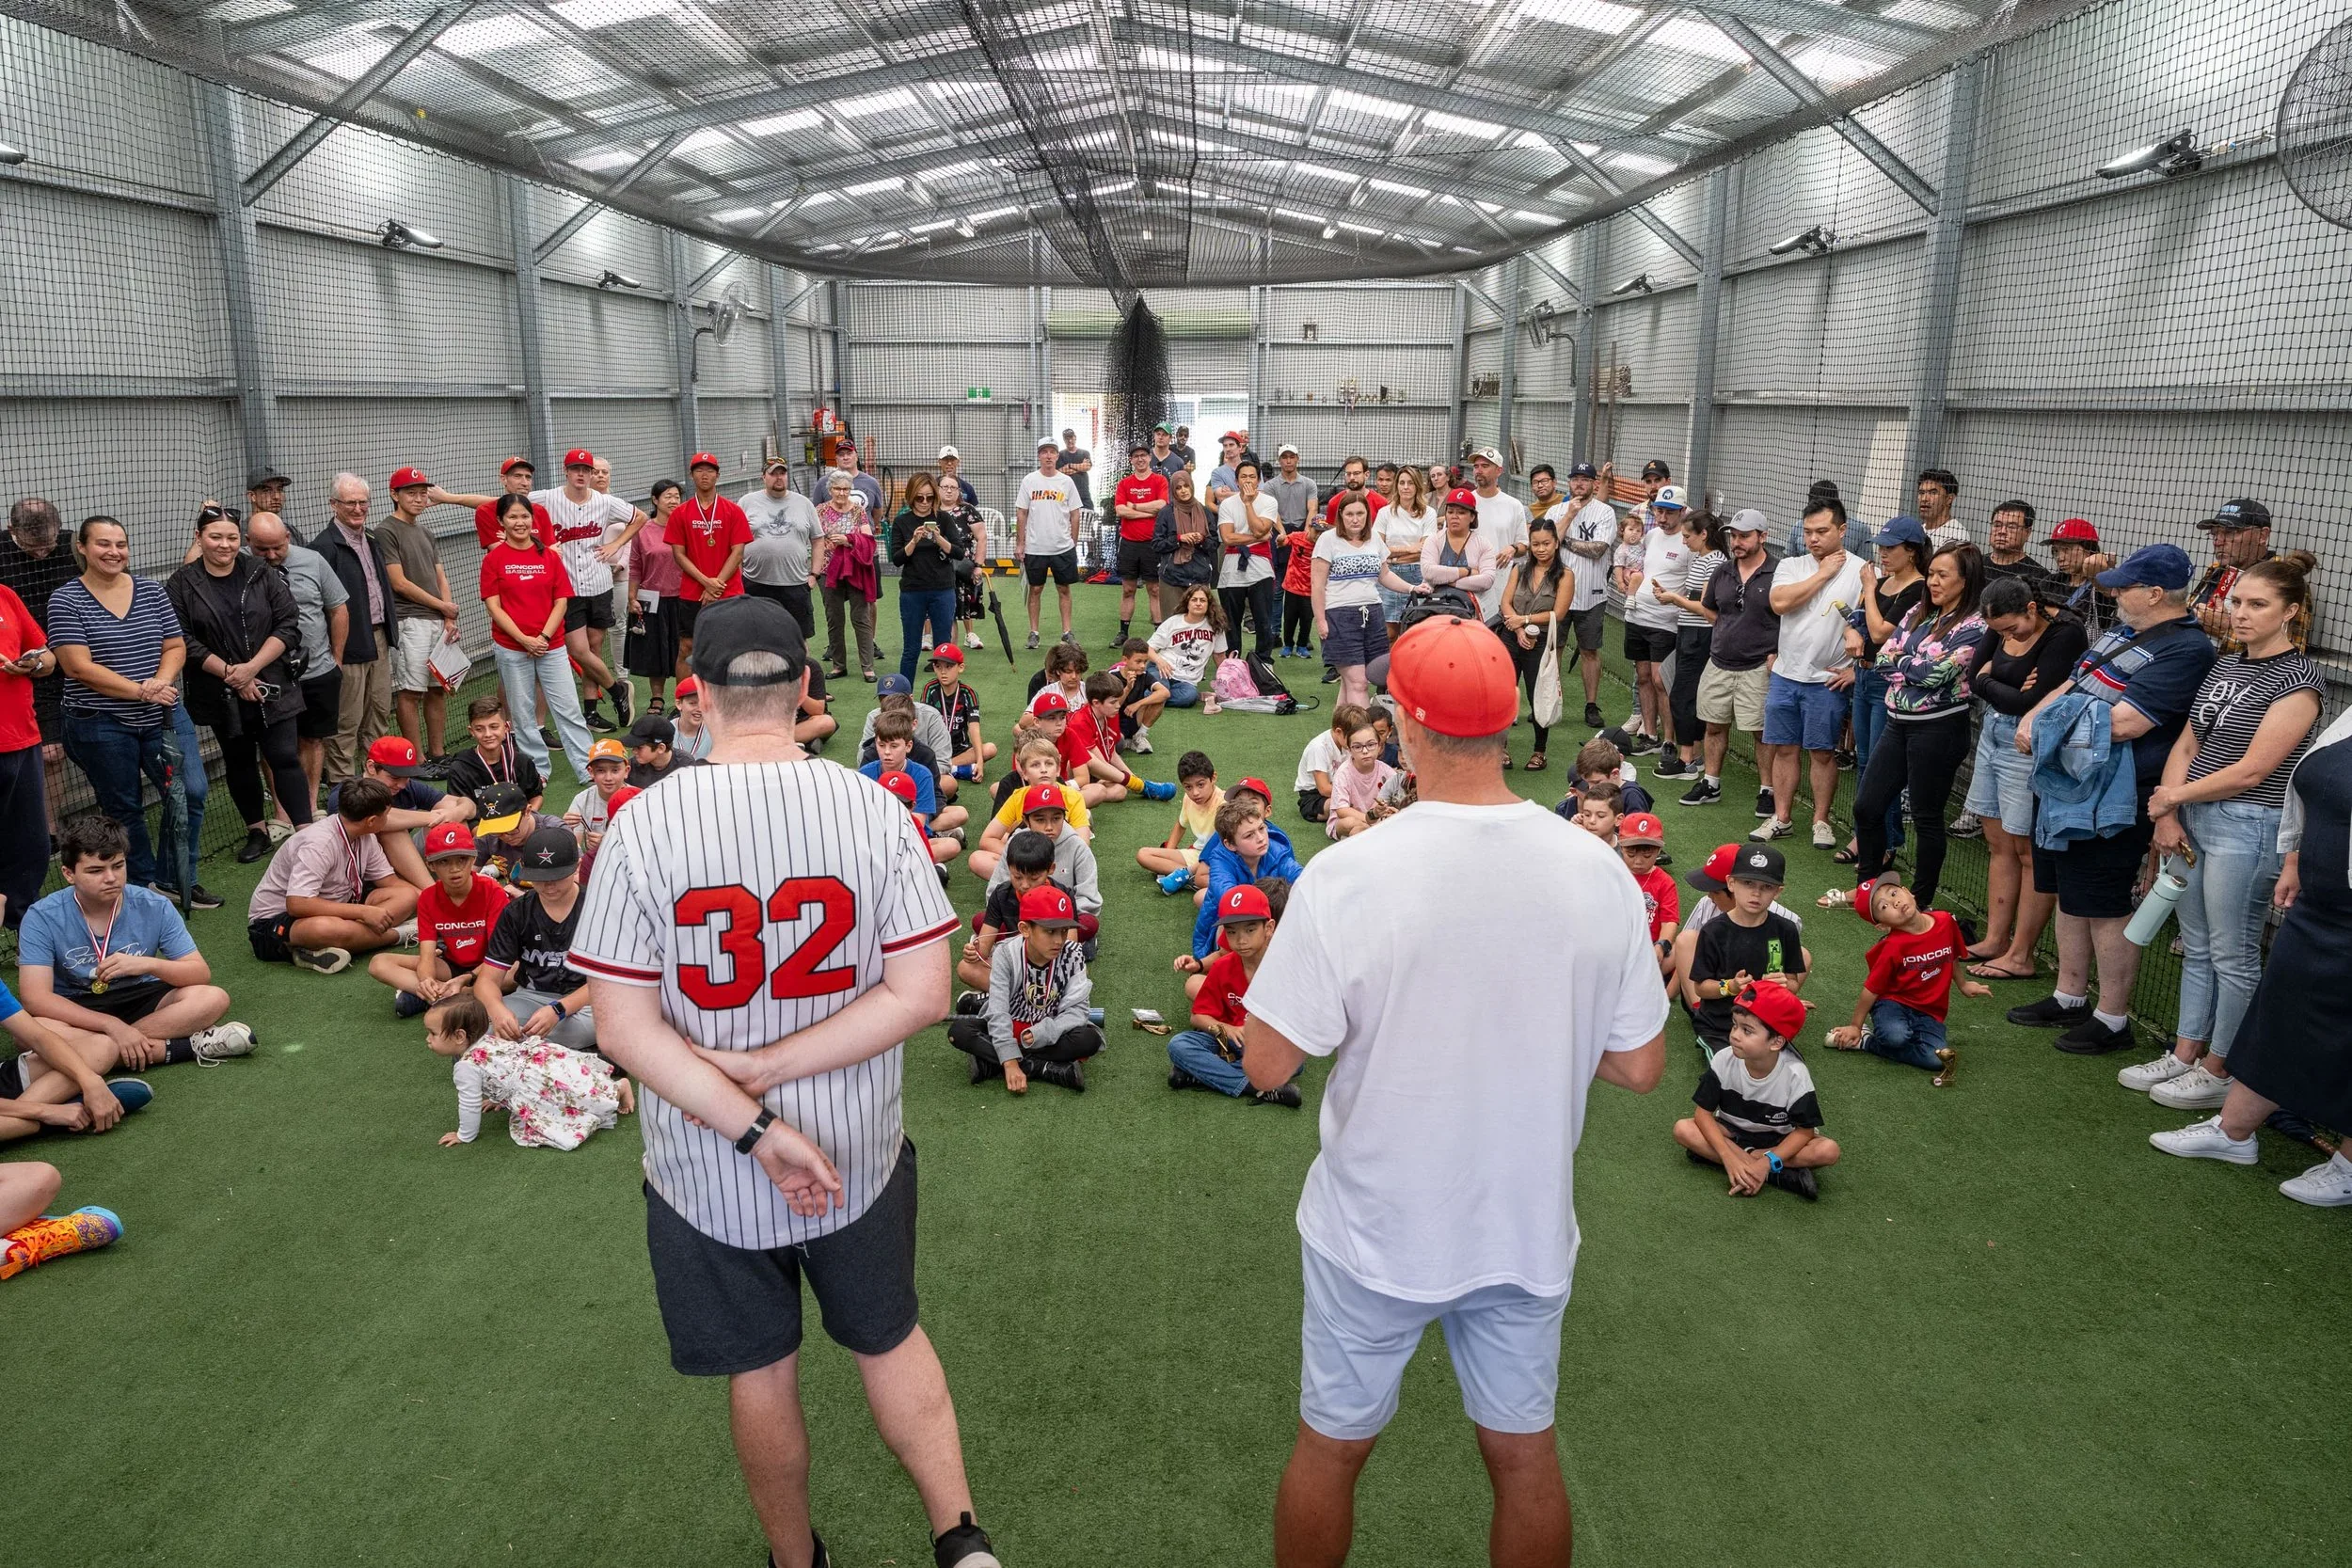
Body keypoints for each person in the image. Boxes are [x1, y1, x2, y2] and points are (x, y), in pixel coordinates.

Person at [568, 597, 1001, 1568]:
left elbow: (624, 1028)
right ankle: (961, 1538)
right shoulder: (871, 803)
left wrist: (755, 1116)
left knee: (763, 1371)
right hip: (856, 1146)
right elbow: (926, 992)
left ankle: (795, 1561)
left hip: (707, 1167)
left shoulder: (642, 823)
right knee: (888, 1336)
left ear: (699, 694)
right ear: (806, 686)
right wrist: (779, 1072)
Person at [1238, 613, 1667, 1568]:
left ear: (1404, 720)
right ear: (1509, 719)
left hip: (1373, 1228)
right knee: (1523, 1460)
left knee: (1332, 1446)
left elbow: (1267, 1064)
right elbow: (1639, 1065)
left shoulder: (1348, 873)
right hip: (1521, 1224)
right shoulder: (1599, 869)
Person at [2120, 554, 2322, 1110]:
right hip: (2192, 820)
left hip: (2249, 825)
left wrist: (2172, 798)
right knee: (2200, 948)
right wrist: (2167, 814)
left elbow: (2256, 769)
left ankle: (2223, 1068)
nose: (2240, 614)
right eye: (2236, 601)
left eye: (2257, 605)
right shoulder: (2226, 664)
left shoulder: (2300, 679)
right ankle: (2185, 1054)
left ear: (2291, 612)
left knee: (2233, 954)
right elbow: (2189, 743)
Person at [2010, 544, 2218, 1056]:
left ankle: (2113, 1018)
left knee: (2103, 904)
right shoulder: (2126, 631)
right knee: (2068, 892)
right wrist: (2032, 716)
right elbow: (2074, 684)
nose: (2116, 593)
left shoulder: (2187, 649)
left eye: (2125, 587)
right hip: (2065, 785)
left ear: (2154, 593)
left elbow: (2126, 723)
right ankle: (2070, 995)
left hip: (2113, 796)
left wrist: (2045, 729)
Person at [2144, 694, 2352, 1207]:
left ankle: (2348, 1166)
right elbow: (2309, 789)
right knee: (2279, 1007)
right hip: (2319, 905)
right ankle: (2234, 1132)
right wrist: (2295, 859)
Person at [16, 814, 253, 1069]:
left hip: (142, 996)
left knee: (212, 998)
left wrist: (147, 965)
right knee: (27, 1031)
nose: (111, 878)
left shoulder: (154, 905)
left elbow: (199, 973)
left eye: (118, 866)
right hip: (76, 1004)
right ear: (69, 873)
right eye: (96, 870)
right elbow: (35, 998)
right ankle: (173, 1049)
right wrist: (112, 1025)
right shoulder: (42, 915)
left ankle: (99, 1054)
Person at [49, 516, 204, 903]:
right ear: (82, 548)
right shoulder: (65, 600)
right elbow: (78, 667)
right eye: (103, 544)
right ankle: (142, 889)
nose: (114, 552)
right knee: (124, 807)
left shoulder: (152, 591)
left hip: (163, 714)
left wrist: (161, 684)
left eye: (121, 544)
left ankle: (174, 880)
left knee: (191, 792)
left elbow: (175, 646)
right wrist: (140, 691)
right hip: (98, 723)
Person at [1953, 578, 2089, 980]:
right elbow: (1975, 675)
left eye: (2012, 629)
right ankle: (1996, 939)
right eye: (1998, 633)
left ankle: (2021, 953)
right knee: (1998, 842)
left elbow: (2034, 702)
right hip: (1994, 735)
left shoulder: (2065, 633)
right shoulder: (2000, 625)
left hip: (2030, 742)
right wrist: (2003, 681)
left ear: (2032, 609)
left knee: (2027, 849)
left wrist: (1993, 682)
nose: (2005, 636)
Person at [167, 508, 311, 867]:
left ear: (241, 540)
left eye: (232, 537)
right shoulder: (182, 584)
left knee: (284, 757)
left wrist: (252, 669)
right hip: (219, 691)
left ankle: (307, 832)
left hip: (271, 683)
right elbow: (182, 639)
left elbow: (289, 624)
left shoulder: (261, 572)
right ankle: (258, 830)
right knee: (239, 761)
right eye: (216, 537)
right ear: (199, 538)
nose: (225, 545)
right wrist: (232, 674)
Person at [1851, 544, 1988, 911]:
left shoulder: (1976, 625)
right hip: (1897, 725)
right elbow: (1881, 657)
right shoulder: (1919, 612)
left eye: (1943, 575)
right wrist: (1913, 664)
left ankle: (1920, 899)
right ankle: (1869, 889)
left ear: (1966, 579)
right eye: (1932, 574)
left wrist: (1905, 662)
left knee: (1927, 818)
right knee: (1867, 806)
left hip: (1939, 731)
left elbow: (1938, 674)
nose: (1933, 581)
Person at [1757, 500, 1865, 848]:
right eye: (1808, 532)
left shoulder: (1863, 570)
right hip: (1786, 676)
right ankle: (1782, 818)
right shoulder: (1791, 564)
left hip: (1827, 681)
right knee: (1784, 748)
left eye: (1822, 531)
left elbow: (1871, 624)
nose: (1813, 539)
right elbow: (1780, 604)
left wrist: (1854, 671)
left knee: (1822, 752)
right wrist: (1822, 573)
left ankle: (1821, 821)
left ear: (1842, 530)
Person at [1675, 981, 1838, 1200]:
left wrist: (1764, 1161)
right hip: (1731, 1133)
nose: (1735, 1035)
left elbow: (1804, 1131)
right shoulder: (1724, 1059)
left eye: (1747, 1030)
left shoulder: (1795, 1074)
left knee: (1828, 1151)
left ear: (1776, 1041)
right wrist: (1729, 1157)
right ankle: (1776, 1175)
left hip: (1778, 1140)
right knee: (1683, 1129)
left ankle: (1748, 1166)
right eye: (1734, 1025)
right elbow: (1702, 1115)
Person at [1826, 874, 1989, 1086]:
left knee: (1935, 1059)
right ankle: (1865, 1039)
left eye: (1894, 893)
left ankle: (1869, 1042)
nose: (1895, 902)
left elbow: (1951, 955)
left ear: (1907, 891)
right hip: (1893, 1003)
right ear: (1882, 926)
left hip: (1930, 1010)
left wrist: (1963, 984)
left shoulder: (1945, 921)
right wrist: (1855, 1026)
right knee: (1895, 1037)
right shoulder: (1893, 946)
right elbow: (1871, 989)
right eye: (1884, 907)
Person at [1832, 515, 1931, 864]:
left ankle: (1885, 842)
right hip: (1864, 677)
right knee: (1863, 760)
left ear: (1912, 551)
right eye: (1882, 547)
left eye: (1891, 548)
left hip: (1889, 683)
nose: (1883, 553)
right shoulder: (1884, 582)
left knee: (1880, 765)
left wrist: (1870, 591)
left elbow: (1880, 632)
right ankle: (1867, 834)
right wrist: (1849, 632)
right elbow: (1857, 624)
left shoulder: (1919, 590)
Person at [479, 492, 596, 784]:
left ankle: (587, 767)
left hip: (552, 646)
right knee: (522, 714)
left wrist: (542, 637)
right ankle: (538, 772)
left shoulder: (550, 556)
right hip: (512, 648)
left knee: (568, 708)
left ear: (533, 520)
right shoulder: (494, 559)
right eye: (513, 517)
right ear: (501, 522)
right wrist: (524, 639)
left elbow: (562, 602)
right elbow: (494, 606)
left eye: (524, 516)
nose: (519, 522)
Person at [247, 777, 420, 974]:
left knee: (407, 895)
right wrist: (363, 913)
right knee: (326, 928)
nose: (387, 820)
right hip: (275, 924)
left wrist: (433, 904)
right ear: (372, 821)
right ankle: (399, 934)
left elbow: (390, 882)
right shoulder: (319, 845)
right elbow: (297, 904)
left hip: (340, 905)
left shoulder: (366, 836)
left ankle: (331, 945)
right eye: (386, 815)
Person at [944, 882, 1098, 1093]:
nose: (1059, 940)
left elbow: (1079, 1011)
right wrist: (1010, 1063)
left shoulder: (1073, 952)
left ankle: (990, 1064)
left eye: (1063, 931)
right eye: (1050, 931)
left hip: (1047, 1031)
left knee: (1089, 1040)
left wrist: (1043, 1032)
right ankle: (1041, 1067)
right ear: (1025, 929)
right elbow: (998, 1012)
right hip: (1010, 1026)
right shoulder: (1006, 953)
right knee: (959, 1031)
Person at [424, 991, 629, 1151]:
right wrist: (497, 1099)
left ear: (460, 1036)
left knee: (569, 1106)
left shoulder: (465, 1066)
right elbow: (500, 1072)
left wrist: (464, 1135)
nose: (428, 1039)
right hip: (542, 1062)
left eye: (432, 1033)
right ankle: (612, 1088)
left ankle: (617, 1090)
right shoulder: (485, 1040)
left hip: (536, 1081)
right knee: (576, 1089)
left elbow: (469, 1103)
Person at [247, 513, 345, 833]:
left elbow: (338, 608)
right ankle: (283, 813)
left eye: (278, 547)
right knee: (275, 744)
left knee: (313, 739)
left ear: (288, 537)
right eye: (263, 549)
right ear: (249, 543)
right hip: (268, 675)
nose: (272, 556)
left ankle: (311, 803)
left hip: (316, 669)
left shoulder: (313, 561)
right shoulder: (240, 566)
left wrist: (336, 659)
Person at [1167, 880, 1302, 1105]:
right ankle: (1257, 1087)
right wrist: (1225, 1029)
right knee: (1179, 1044)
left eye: (1250, 929)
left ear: (1268, 928)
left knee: (1295, 1061)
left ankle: (1201, 1075)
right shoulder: (1222, 966)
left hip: (1267, 1043)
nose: (1241, 940)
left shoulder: (1286, 968)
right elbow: (1198, 1016)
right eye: (1232, 932)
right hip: (1227, 1040)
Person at [1681, 509, 1779, 814]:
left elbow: (1789, 618)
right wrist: (1727, 631)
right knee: (1713, 726)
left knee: (1760, 732)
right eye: (1733, 536)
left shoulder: (1779, 573)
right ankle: (1711, 783)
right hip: (1719, 661)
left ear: (1762, 537)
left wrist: (1777, 651)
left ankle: (1767, 790)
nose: (1737, 542)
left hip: (1758, 666)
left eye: (1745, 536)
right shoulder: (1722, 571)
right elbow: (1711, 610)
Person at [470, 824, 598, 1053]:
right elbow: (487, 981)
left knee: (600, 1025)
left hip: (588, 1000)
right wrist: (497, 1010)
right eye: (539, 878)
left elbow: (606, 981)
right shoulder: (517, 912)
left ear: (576, 867)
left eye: (557, 877)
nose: (548, 886)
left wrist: (560, 1009)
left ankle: (517, 1051)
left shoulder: (598, 906)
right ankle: (567, 1053)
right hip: (533, 996)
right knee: (484, 1026)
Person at [368, 822, 508, 1018]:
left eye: (462, 859)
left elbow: (500, 954)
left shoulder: (492, 891)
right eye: (444, 862)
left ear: (473, 858)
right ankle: (441, 994)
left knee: (517, 969)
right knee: (379, 963)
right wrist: (426, 980)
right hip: (452, 965)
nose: (455, 869)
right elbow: (427, 956)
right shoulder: (428, 897)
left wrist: (468, 978)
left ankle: (446, 996)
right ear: (430, 865)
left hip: (490, 966)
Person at [1682, 844, 1811, 1056]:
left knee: (1792, 1076)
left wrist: (1784, 985)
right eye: (1747, 883)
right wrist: (1730, 986)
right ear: (1731, 883)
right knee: (1729, 1077)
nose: (1756, 893)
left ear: (1778, 892)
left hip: (1765, 1027)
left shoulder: (1785, 929)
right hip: (1719, 1026)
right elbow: (1702, 988)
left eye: (1766, 886)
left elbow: (1793, 983)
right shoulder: (1713, 931)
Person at [372, 467, 464, 757]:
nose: (419, 498)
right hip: (409, 621)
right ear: (394, 495)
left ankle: (438, 754)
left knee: (437, 689)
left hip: (438, 621)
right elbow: (398, 583)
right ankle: (417, 758)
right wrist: (442, 606)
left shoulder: (426, 531)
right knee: (412, 691)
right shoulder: (385, 531)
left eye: (423, 493)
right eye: (411, 493)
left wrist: (448, 616)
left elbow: (441, 577)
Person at [313, 472, 398, 786]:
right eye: (350, 502)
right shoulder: (323, 548)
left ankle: (376, 780)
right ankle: (342, 785)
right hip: (347, 646)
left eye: (363, 502)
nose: (358, 508)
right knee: (346, 719)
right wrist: (333, 652)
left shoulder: (372, 540)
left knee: (378, 713)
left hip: (379, 639)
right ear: (334, 504)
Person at [1646, 510, 1724, 782]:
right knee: (1684, 692)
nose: (1684, 542)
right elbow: (1693, 596)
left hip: (1700, 635)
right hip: (1688, 632)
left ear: (1704, 535)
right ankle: (1695, 756)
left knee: (1683, 695)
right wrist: (1670, 595)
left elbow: (1705, 607)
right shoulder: (1701, 559)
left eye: (1688, 536)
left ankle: (1687, 760)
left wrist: (1673, 600)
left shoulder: (1713, 562)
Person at [1491, 516, 1570, 771]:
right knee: (1503, 695)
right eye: (1535, 544)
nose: (1540, 549)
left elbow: (1557, 614)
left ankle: (1540, 751)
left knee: (1540, 697)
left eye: (1546, 543)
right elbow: (1505, 603)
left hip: (1541, 643)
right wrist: (1517, 630)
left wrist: (1523, 620)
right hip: (1511, 639)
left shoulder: (1565, 575)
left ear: (1556, 543)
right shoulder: (1519, 569)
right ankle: (1500, 749)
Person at [1186, 798, 1303, 966]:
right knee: (1234, 920)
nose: (1261, 838)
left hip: (1264, 921)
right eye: (1249, 835)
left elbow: (1301, 877)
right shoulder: (1220, 859)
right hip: (1236, 925)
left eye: (1262, 828)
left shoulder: (1276, 851)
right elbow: (1230, 898)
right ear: (1230, 844)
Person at [0, 562, 53, 921]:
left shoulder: (5, 595)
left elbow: (47, 656)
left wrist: (32, 664)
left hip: (23, 738)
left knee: (32, 844)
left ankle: (24, 933)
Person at [1620, 482, 1690, 749]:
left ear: (1682, 511)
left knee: (1662, 681)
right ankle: (1650, 735)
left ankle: (1669, 741)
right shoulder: (1650, 537)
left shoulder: (1688, 542)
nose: (1662, 517)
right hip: (1637, 617)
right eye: (1659, 511)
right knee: (1643, 677)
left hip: (1666, 623)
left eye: (1669, 512)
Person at [671, 455, 752, 671]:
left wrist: (716, 586)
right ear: (691, 475)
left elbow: (738, 552)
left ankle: (729, 702)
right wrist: (706, 582)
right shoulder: (680, 513)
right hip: (692, 592)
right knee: (688, 647)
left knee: (732, 646)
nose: (704, 475)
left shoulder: (733, 511)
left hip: (729, 591)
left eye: (709, 470)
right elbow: (679, 554)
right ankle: (683, 702)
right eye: (699, 470)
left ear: (718, 474)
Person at [888, 473, 966, 682]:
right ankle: (904, 697)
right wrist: (913, 541)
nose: (924, 502)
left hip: (942, 589)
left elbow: (959, 552)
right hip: (913, 591)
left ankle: (945, 697)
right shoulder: (902, 521)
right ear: (911, 497)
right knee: (911, 649)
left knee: (943, 648)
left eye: (929, 498)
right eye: (919, 498)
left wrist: (939, 538)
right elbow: (896, 559)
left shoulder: (943, 518)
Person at [2186, 498, 2291, 652]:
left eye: (2229, 533)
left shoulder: (2283, 581)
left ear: (2262, 536)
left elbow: (2288, 652)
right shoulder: (2216, 570)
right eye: (2214, 534)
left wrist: (2226, 631)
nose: (2218, 541)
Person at [1314, 494, 1388, 712]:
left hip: (1373, 615)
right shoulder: (1327, 539)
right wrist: (1320, 620)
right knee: (1359, 683)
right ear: (1340, 516)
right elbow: (1317, 585)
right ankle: (1366, 741)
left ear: (1368, 515)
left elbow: (1385, 575)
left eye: (1360, 514)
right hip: (1340, 616)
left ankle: (1340, 737)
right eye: (1349, 514)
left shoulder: (1374, 538)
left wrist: (1414, 588)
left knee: (1350, 684)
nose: (1355, 519)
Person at [983, 781, 1102, 915]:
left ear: (1064, 817)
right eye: (1040, 820)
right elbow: (994, 891)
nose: (1049, 826)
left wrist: (1055, 913)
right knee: (981, 921)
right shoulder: (1015, 842)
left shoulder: (1078, 846)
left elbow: (1090, 899)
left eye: (1056, 818)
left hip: (1062, 917)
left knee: (1089, 924)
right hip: (1021, 915)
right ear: (1026, 821)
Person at [739, 456, 823, 640]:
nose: (779, 477)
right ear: (764, 477)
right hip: (756, 584)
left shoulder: (804, 503)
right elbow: (735, 541)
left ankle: (801, 670)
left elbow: (818, 539)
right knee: (756, 638)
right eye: (773, 473)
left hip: (795, 584)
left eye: (782, 473)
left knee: (798, 640)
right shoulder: (747, 502)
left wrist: (814, 574)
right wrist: (738, 574)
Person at [1015, 437, 1084, 650]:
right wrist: (1020, 543)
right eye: (1044, 452)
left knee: (1064, 589)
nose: (1048, 456)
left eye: (1052, 452)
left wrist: (1072, 540)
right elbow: (1021, 513)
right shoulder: (1029, 481)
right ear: (1039, 455)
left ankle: (1066, 632)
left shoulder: (1066, 482)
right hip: (1035, 547)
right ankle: (1034, 633)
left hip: (1062, 547)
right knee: (1035, 589)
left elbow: (1075, 514)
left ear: (1057, 456)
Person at [814, 470, 881, 682]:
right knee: (834, 618)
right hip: (828, 570)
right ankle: (838, 665)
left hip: (855, 570)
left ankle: (868, 667)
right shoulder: (820, 510)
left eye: (845, 489)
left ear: (850, 490)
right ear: (830, 490)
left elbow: (868, 539)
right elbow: (814, 538)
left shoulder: (858, 511)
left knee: (861, 618)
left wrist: (848, 539)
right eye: (837, 489)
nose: (842, 493)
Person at [628, 479, 687, 713]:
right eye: (667, 496)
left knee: (684, 649)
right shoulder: (643, 531)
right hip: (652, 598)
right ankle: (657, 698)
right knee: (655, 651)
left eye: (676, 496)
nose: (673, 500)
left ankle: (682, 697)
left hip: (684, 598)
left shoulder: (686, 527)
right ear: (655, 500)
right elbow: (635, 565)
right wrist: (632, 597)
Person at [1217, 458, 1282, 661]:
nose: (1248, 481)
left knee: (1263, 619)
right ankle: (1233, 662)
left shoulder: (1269, 502)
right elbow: (1228, 537)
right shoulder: (1227, 504)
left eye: (1252, 477)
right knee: (1231, 621)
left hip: (1260, 566)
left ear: (1259, 480)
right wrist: (1257, 538)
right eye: (1243, 476)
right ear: (1237, 481)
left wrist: (1247, 504)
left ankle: (1263, 661)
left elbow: (1261, 528)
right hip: (1232, 567)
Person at [438, 694, 545, 814]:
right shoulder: (460, 769)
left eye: (494, 727)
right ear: (471, 731)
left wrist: (528, 815)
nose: (488, 734)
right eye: (479, 729)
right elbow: (460, 810)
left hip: (521, 824)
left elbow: (536, 795)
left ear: (506, 727)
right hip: (482, 828)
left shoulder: (521, 762)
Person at [1110, 442, 1170, 644]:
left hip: (1152, 545)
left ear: (1149, 457)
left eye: (1143, 455)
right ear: (1131, 460)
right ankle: (1122, 632)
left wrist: (1134, 506)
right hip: (1129, 544)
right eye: (1136, 456)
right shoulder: (1124, 484)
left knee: (1155, 589)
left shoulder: (1159, 481)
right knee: (1128, 589)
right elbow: (1120, 510)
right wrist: (1147, 511)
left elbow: (1161, 506)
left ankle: (1159, 634)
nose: (1140, 459)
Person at [1139, 750, 1222, 888]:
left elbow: (1225, 847)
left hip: (1216, 860)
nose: (1195, 793)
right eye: (1188, 787)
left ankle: (1186, 875)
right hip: (1196, 854)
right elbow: (1180, 824)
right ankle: (1190, 878)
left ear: (1213, 778)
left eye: (1200, 785)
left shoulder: (1224, 805)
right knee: (1143, 854)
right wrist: (1168, 852)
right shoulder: (1188, 799)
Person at [1147, 584, 1227, 713]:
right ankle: (1151, 694)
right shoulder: (1173, 622)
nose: (1198, 604)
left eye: (1203, 600)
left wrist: (1227, 680)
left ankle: (1151, 696)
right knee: (1162, 686)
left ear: (1209, 604)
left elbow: (1219, 656)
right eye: (1194, 600)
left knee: (1189, 697)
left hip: (1187, 680)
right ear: (1187, 603)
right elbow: (1148, 648)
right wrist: (1159, 661)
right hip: (1162, 670)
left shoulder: (1215, 626)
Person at [1376, 467, 1434, 640]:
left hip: (1417, 574)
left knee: (1414, 631)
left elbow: (1425, 551)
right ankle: (1388, 667)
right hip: (1388, 574)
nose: (1405, 487)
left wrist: (1392, 553)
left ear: (1417, 486)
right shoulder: (1385, 513)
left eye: (1410, 483)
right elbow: (1378, 548)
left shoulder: (1428, 513)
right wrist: (1409, 549)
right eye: (1402, 483)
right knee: (1389, 632)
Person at [1618, 813, 1678, 974]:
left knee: (1680, 947)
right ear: (1621, 846)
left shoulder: (1665, 882)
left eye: (1647, 854)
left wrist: (1661, 945)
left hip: (1650, 947)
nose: (1638, 860)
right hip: (1616, 944)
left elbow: (1669, 921)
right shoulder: (1613, 873)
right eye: (1631, 853)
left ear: (1659, 850)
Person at [921, 645, 991, 779]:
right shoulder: (930, 689)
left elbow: (974, 728)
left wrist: (980, 762)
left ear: (961, 667)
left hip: (960, 750)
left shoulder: (968, 693)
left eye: (948, 666)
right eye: (938, 666)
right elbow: (923, 724)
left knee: (990, 749)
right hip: (936, 749)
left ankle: (944, 768)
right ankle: (952, 769)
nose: (943, 672)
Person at [1295, 706, 1371, 824]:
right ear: (1339, 732)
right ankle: (1364, 818)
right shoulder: (1318, 747)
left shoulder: (1347, 743)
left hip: (1344, 787)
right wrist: (1358, 796)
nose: (1358, 743)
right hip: (1315, 796)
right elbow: (1324, 789)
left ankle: (1362, 815)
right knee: (1342, 805)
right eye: (1353, 738)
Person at [1324, 719, 1393, 840]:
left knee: (1358, 831)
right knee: (1351, 823)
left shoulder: (1386, 771)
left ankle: (1365, 837)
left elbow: (1399, 795)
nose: (1365, 751)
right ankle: (1371, 836)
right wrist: (1368, 817)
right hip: (1346, 821)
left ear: (1379, 746)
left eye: (1371, 745)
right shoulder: (1343, 773)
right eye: (1358, 747)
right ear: (1349, 750)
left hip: (1377, 820)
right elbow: (1342, 810)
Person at [2049, 516, 2118, 636]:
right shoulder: (2051, 582)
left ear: (2088, 550)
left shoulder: (2102, 588)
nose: (2060, 557)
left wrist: (2102, 560)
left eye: (2067, 549)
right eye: (2055, 551)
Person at [1915, 467, 1966, 551]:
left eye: (1933, 493)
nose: (1924, 498)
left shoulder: (1956, 534)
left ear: (1949, 499)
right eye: (1921, 493)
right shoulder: (1918, 531)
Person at [935, 445, 979, 511]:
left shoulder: (967, 487)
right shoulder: (932, 485)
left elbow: (973, 510)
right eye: (946, 459)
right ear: (939, 462)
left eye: (952, 460)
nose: (949, 463)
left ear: (958, 462)